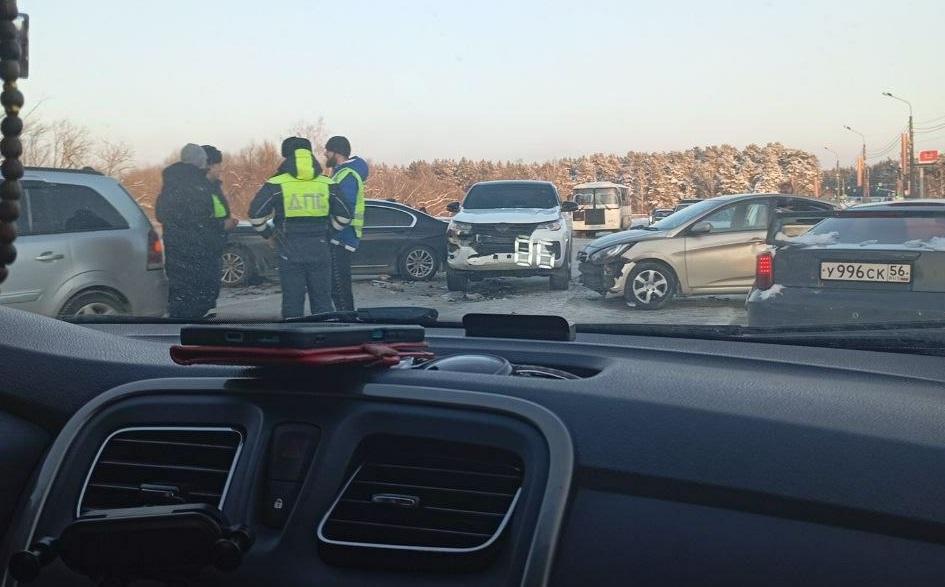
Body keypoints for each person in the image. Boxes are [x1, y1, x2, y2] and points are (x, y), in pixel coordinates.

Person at [249, 137, 352, 319]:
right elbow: (345, 216)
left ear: (287, 158)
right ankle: (324, 334)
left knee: (292, 302)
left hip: (289, 251)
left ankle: (293, 334)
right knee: (323, 302)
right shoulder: (327, 183)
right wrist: (327, 233)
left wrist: (270, 235)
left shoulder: (276, 184)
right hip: (320, 249)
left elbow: (255, 215)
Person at [155, 143, 218, 319]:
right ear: (200, 162)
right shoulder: (199, 186)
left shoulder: (169, 185)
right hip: (198, 250)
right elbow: (206, 216)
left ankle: (178, 325)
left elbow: (160, 214)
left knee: (180, 296)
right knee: (198, 301)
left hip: (175, 249)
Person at [324, 136, 369, 311]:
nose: (325, 154)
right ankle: (345, 317)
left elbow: (345, 209)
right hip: (343, 236)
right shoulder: (341, 173)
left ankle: (346, 320)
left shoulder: (347, 175)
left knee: (339, 287)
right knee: (338, 285)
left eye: (328, 150)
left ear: (337, 152)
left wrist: (330, 230)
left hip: (341, 237)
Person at [197, 145, 237, 315]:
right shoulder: (199, 189)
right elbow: (198, 219)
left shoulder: (213, 187)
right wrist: (222, 225)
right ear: (209, 165)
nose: (221, 169)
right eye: (219, 165)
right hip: (203, 249)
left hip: (214, 247)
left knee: (209, 291)